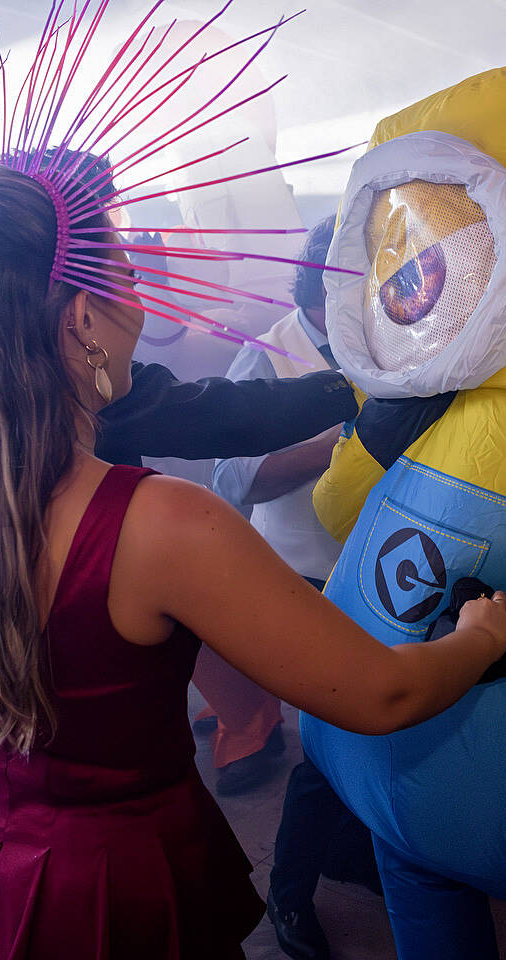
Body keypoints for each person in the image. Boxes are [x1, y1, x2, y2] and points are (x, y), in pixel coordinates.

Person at [0, 162, 506, 959]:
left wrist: (3, 711)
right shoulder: (162, 523)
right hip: (113, 881)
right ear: (80, 324)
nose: (142, 304)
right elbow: (385, 694)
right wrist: (482, 633)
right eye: (129, 280)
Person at [210, 217, 380, 958]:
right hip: (304, 574)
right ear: (321, 284)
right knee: (332, 745)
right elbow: (234, 478)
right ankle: (287, 894)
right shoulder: (265, 353)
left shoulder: (384, 340)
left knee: (380, 725)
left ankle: (350, 855)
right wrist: (347, 439)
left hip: (382, 563)